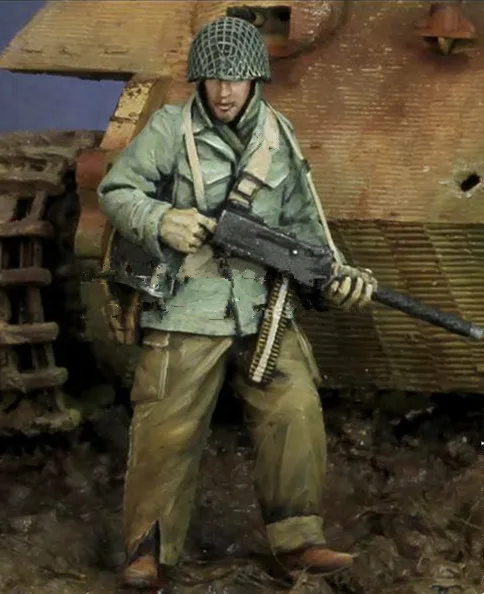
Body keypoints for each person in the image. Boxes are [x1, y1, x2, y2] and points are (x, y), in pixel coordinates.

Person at [98, 15, 376, 591]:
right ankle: (149, 548)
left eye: (237, 79)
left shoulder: (278, 136)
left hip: (262, 305)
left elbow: (304, 223)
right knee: (167, 424)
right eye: (215, 78)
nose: (225, 92)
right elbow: (117, 191)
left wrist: (337, 274)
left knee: (295, 409)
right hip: (189, 303)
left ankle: (299, 540)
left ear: (256, 80)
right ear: (200, 79)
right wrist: (162, 219)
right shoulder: (170, 129)